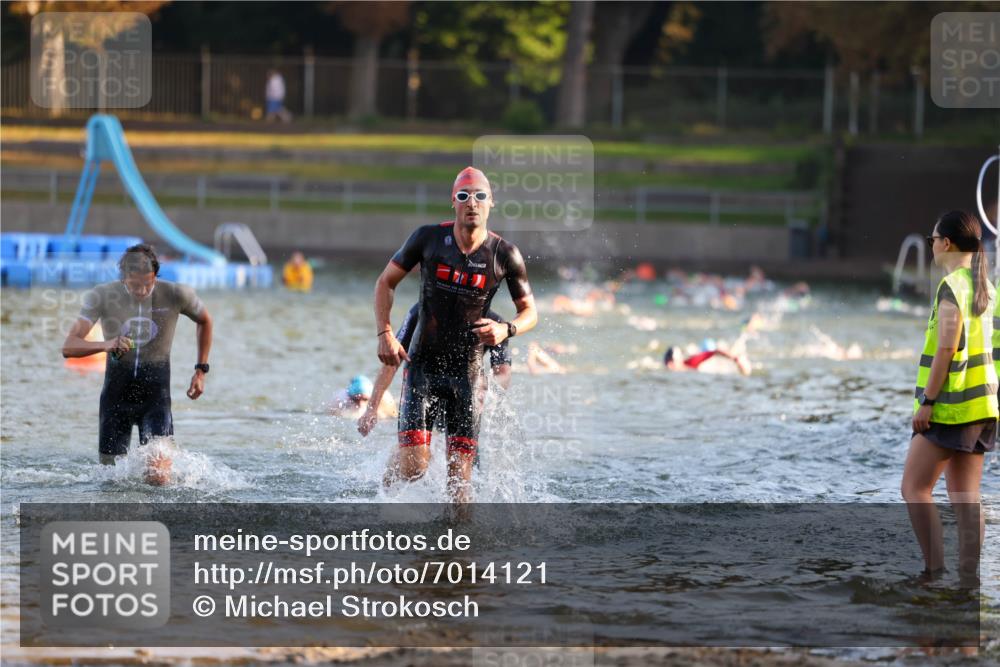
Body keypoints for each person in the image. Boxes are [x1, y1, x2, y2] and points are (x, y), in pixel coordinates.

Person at [374, 166, 537, 503]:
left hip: (468, 375)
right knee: (414, 469)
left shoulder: (504, 254)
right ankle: (382, 494)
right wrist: (385, 333)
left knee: (460, 483)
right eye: (464, 196)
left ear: (491, 202)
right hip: (423, 369)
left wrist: (506, 329)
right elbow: (385, 282)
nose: (471, 203)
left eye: (479, 196)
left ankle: (459, 551)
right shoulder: (427, 239)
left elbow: (530, 312)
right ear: (453, 202)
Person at [61, 244, 213, 485]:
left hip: (156, 401)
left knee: (159, 479)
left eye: (149, 283)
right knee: (112, 483)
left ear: (156, 276)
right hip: (115, 402)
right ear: (123, 278)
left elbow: (205, 320)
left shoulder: (176, 294)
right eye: (135, 285)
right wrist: (107, 344)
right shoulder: (101, 296)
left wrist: (200, 370)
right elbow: (69, 346)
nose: (143, 290)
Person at [902, 211, 997, 585]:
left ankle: (933, 571)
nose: (931, 247)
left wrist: (928, 401)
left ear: (947, 243)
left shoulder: (952, 288)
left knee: (914, 488)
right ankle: (968, 581)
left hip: (948, 409)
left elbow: (945, 349)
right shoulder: (988, 289)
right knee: (966, 497)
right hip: (982, 409)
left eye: (932, 240)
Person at [357, 304, 512, 437]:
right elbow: (392, 361)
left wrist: (486, 389)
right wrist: (371, 408)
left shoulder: (494, 324)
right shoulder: (421, 311)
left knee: (466, 462)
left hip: (464, 390)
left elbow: (502, 373)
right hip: (423, 386)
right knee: (414, 460)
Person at [330, 374, 396, 420]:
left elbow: (393, 415)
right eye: (356, 400)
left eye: (364, 399)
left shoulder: (384, 398)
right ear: (350, 397)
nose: (360, 404)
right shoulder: (341, 399)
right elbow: (331, 415)